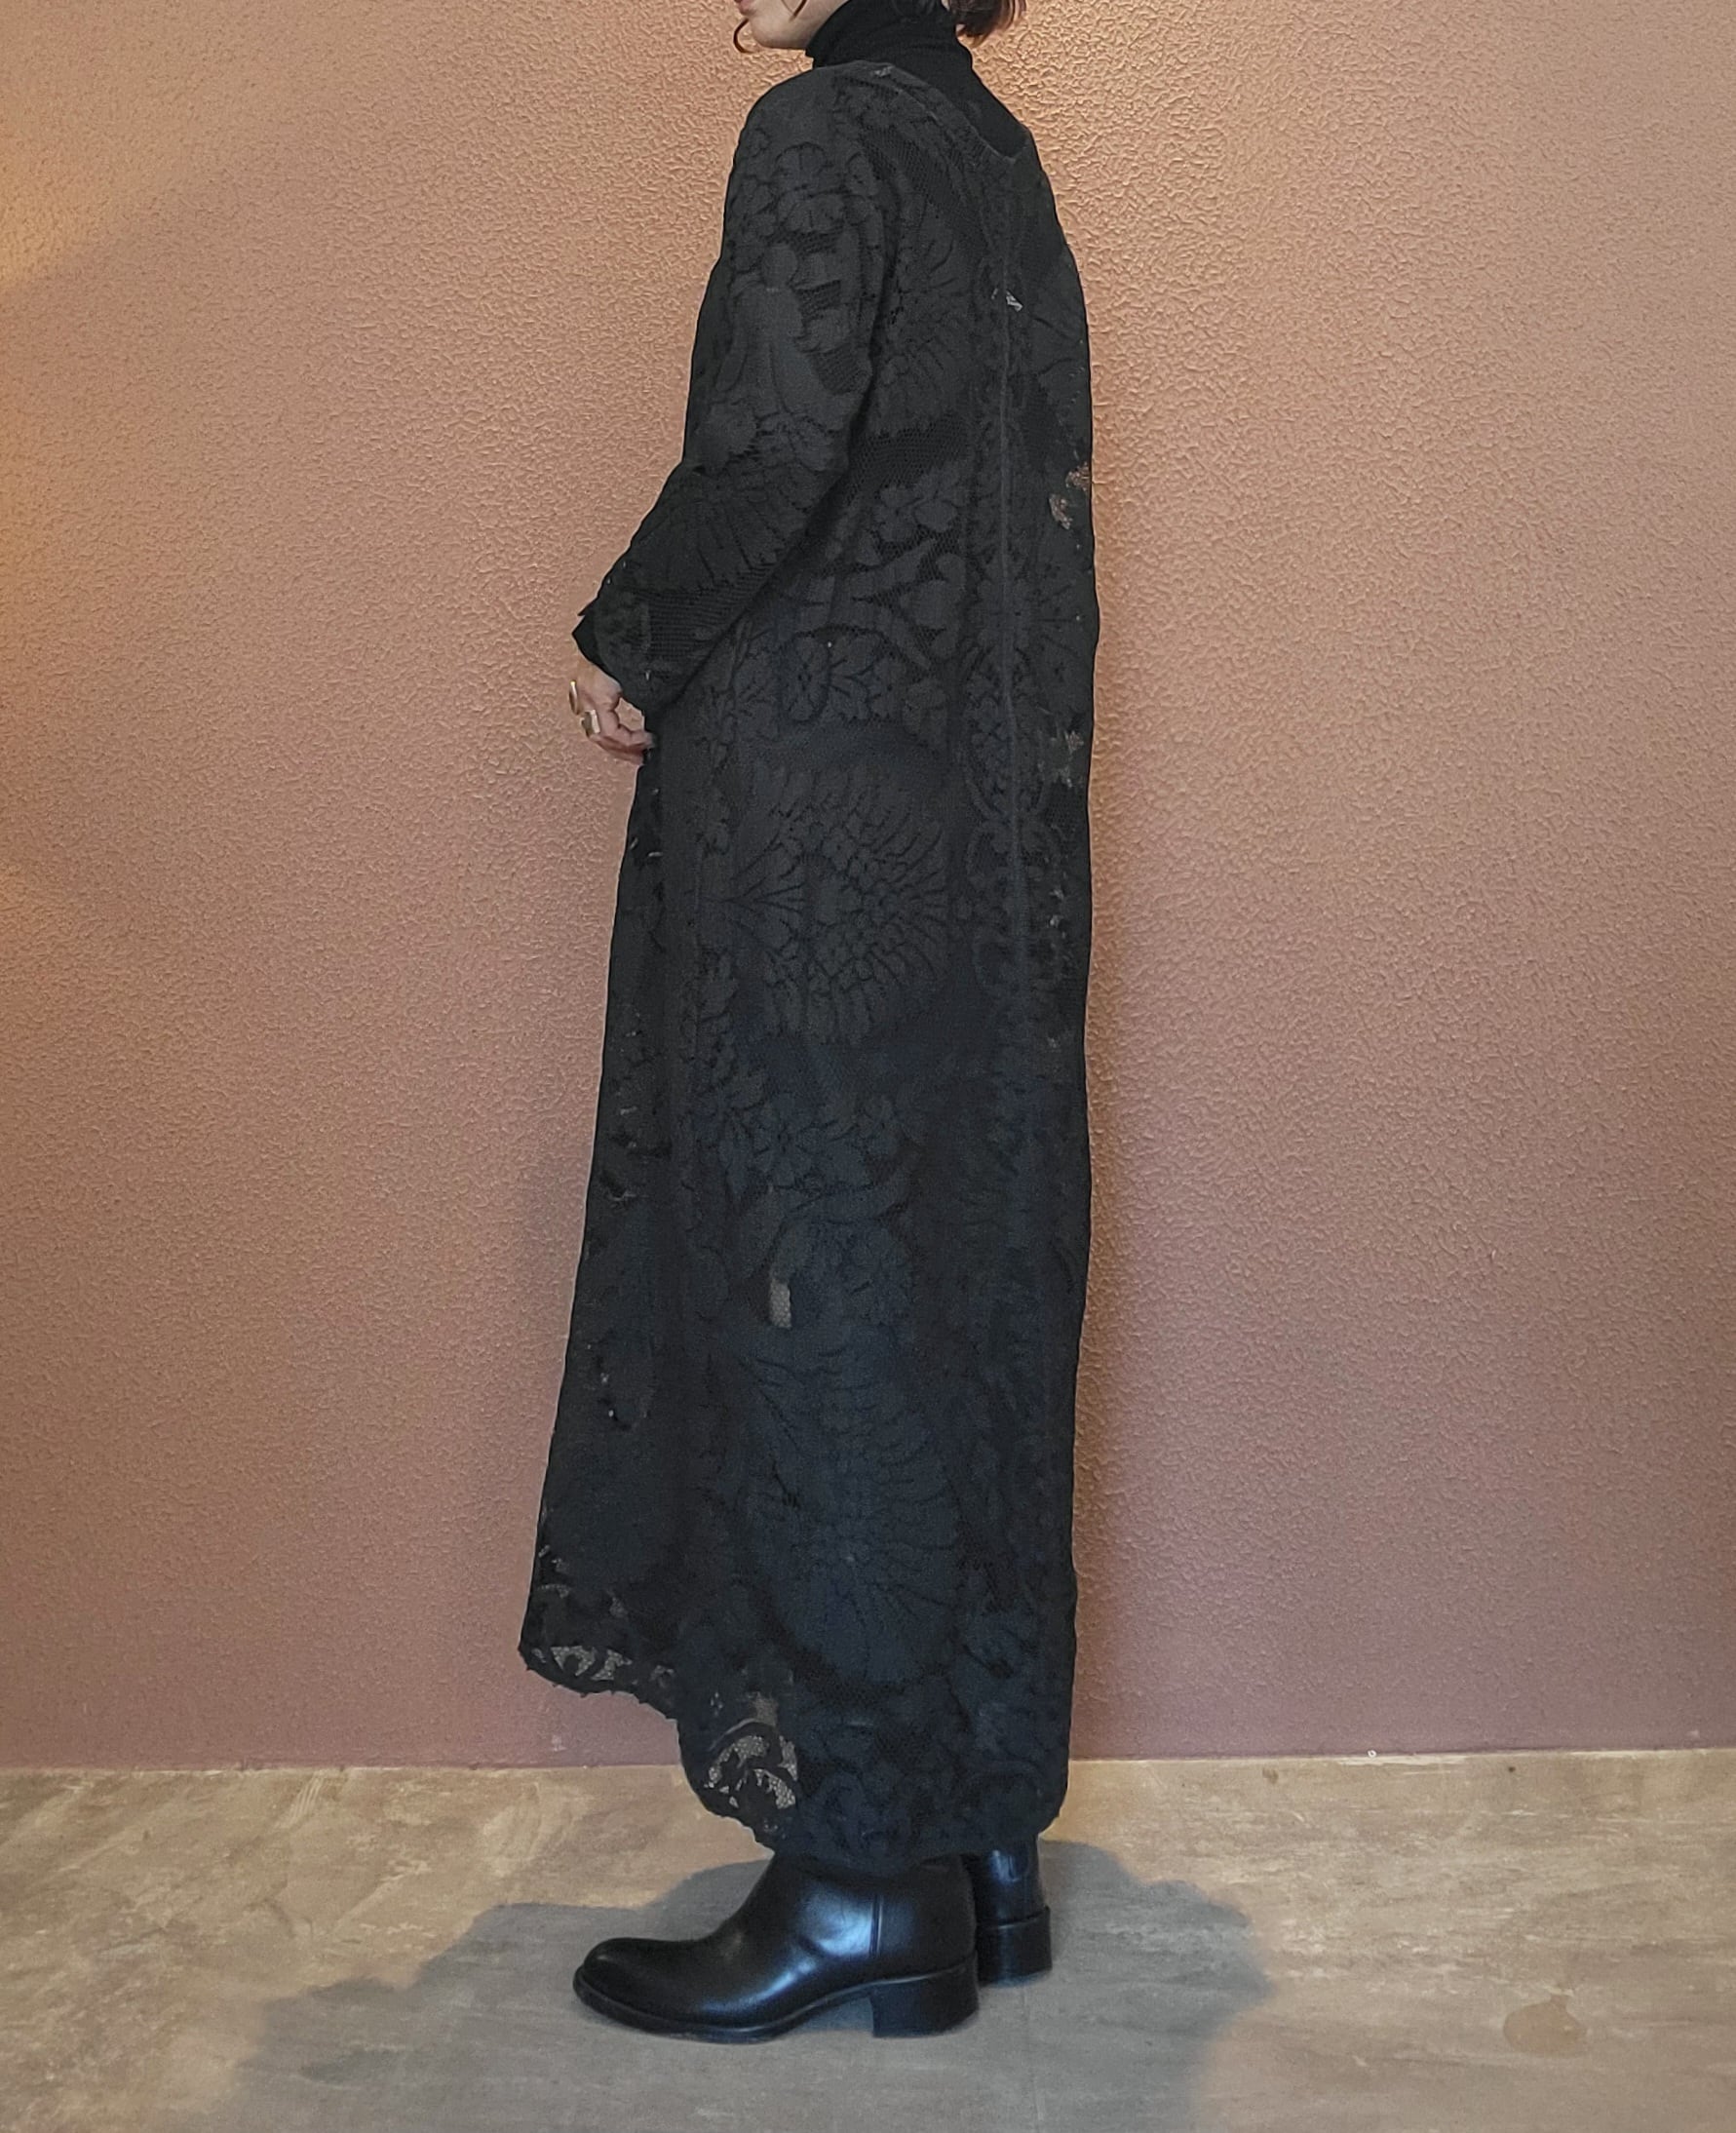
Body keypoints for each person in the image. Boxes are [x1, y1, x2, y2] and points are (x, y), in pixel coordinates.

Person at [519, 0, 1098, 2041]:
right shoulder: (995, 154)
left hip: (818, 838)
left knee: (818, 1300)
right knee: (951, 1289)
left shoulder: (823, 132)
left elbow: (772, 442)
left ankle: (859, 1883)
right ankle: (972, 1841)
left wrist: (632, 639)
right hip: (976, 847)